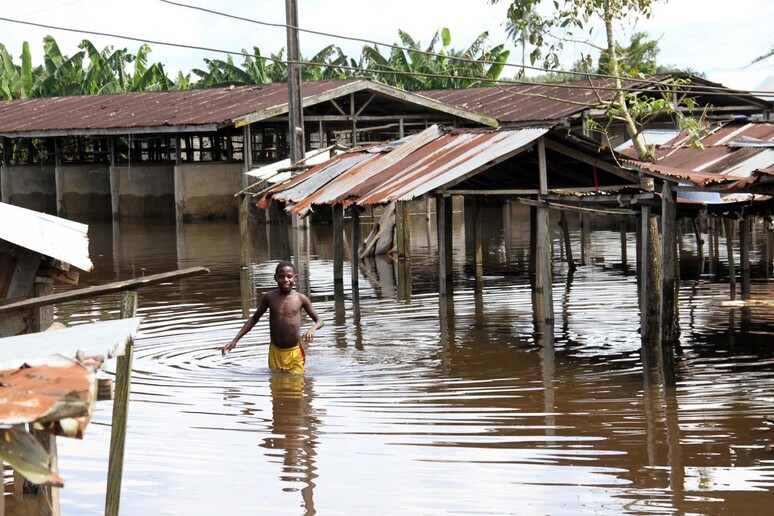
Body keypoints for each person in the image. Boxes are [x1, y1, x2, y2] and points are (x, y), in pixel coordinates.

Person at [222, 261, 323, 373]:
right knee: (276, 386)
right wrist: (235, 340)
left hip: (294, 352)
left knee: (297, 385)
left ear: (295, 278)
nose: (285, 280)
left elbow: (319, 321)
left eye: (289, 276)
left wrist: (313, 328)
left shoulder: (300, 299)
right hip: (275, 351)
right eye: (281, 276)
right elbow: (254, 319)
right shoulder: (269, 297)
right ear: (275, 278)